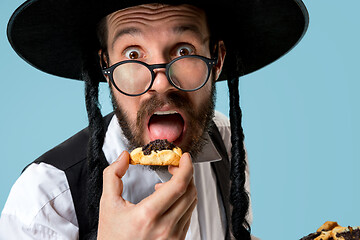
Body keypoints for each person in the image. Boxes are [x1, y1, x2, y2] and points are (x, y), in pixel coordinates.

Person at [1, 0, 308, 239]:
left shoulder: (225, 140)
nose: (162, 83)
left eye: (184, 51)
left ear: (217, 60)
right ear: (106, 67)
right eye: (133, 54)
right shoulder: (45, 199)